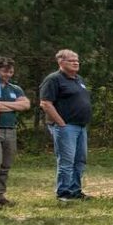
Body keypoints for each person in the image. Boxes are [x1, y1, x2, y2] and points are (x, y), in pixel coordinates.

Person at [39, 49, 92, 201]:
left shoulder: (78, 79)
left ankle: (75, 190)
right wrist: (61, 123)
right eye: (71, 60)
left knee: (80, 160)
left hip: (81, 126)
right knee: (66, 161)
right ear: (60, 62)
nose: (76, 63)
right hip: (66, 126)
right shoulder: (53, 79)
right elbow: (45, 103)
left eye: (77, 60)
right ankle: (63, 192)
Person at [0, 56, 30, 209]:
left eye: (11, 71)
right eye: (4, 71)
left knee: (6, 164)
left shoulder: (15, 88)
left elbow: (25, 105)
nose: (8, 74)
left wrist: (0, 105)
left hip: (11, 130)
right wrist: (13, 105)